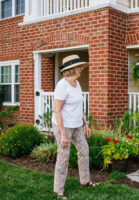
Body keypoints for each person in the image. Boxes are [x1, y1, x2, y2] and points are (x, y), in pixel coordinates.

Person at [52, 55, 98, 199]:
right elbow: (57, 110)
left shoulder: (77, 84)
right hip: (63, 126)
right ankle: (58, 190)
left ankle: (85, 181)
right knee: (63, 156)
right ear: (71, 69)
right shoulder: (62, 85)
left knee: (84, 150)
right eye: (79, 67)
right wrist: (63, 134)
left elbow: (79, 106)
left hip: (77, 125)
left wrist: (86, 124)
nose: (81, 69)